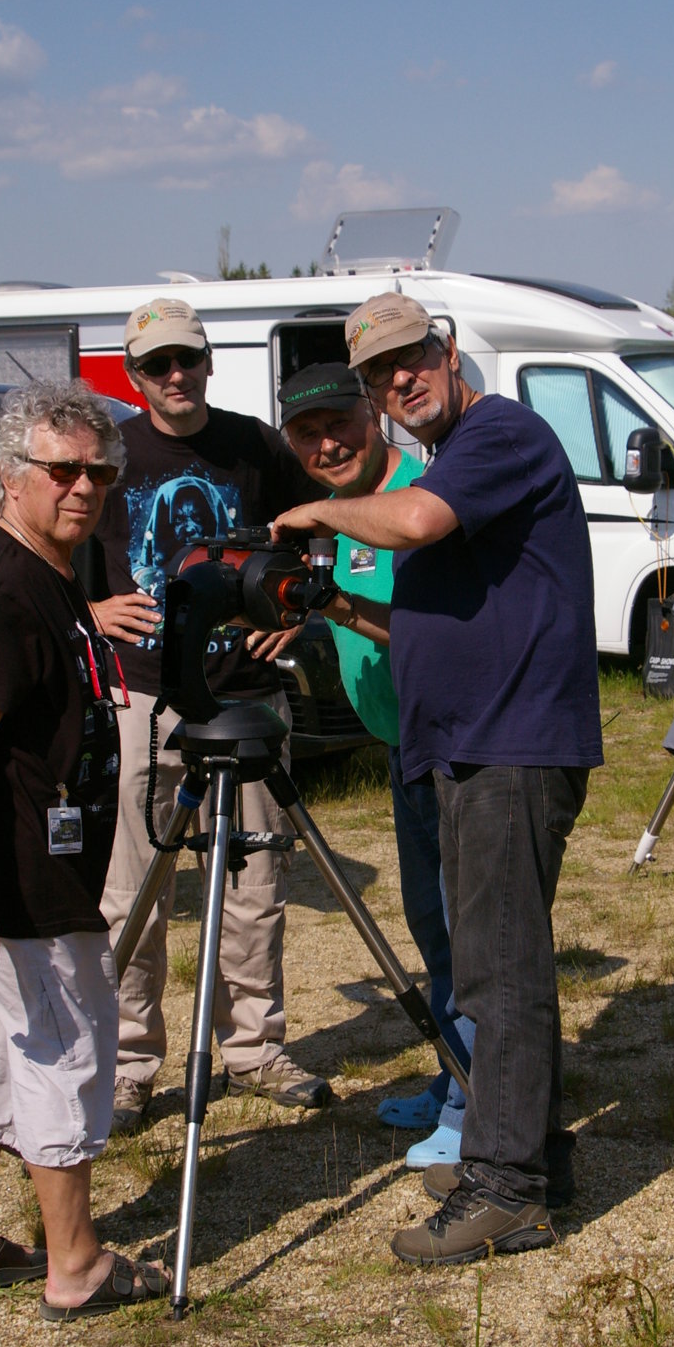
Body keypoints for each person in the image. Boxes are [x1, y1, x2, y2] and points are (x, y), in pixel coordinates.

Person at [273, 294, 603, 1265]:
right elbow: (421, 618)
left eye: (410, 357)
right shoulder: (462, 455)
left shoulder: (499, 433)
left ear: (448, 350)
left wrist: (318, 509)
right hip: (467, 746)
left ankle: (506, 1190)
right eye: (380, 373)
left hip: (511, 744)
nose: (400, 379)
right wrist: (334, 603)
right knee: (494, 963)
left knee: (498, 973)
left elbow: (414, 519)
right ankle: (531, 1153)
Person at [0, 381, 169, 1319]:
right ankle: (76, 1264)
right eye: (61, 470)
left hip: (19, 866)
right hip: (15, 876)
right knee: (63, 1048)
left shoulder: (47, 574)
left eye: (99, 472)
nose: (83, 487)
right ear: (10, 477)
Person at [91, 298, 330, 1132]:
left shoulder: (257, 445)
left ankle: (255, 1049)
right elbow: (47, 548)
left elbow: (320, 530)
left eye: (186, 358)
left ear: (208, 361)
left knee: (254, 883)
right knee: (133, 893)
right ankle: (127, 1065)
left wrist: (301, 610)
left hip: (247, 694)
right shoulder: (108, 454)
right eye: (156, 364)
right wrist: (90, 610)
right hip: (142, 696)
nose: (175, 375)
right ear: (134, 375)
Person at [277, 363, 474, 1167]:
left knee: (463, 932)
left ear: (372, 413)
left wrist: (335, 605)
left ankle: (472, 1108)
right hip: (403, 745)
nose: (328, 445)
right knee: (431, 926)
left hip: (455, 751)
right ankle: (455, 1073)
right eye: (308, 434)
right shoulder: (343, 514)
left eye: (340, 424)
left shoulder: (414, 497)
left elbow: (430, 629)